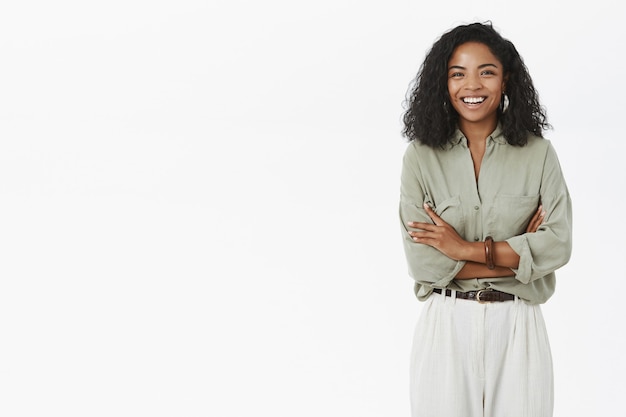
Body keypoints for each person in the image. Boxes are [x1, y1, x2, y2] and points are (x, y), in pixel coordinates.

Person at [398, 22, 572, 417]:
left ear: (505, 79)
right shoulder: (420, 157)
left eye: (486, 72)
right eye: (457, 73)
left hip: (518, 324)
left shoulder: (538, 154)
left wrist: (461, 249)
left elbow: (558, 243)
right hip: (446, 326)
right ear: (442, 83)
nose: (471, 86)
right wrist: (521, 256)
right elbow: (424, 263)